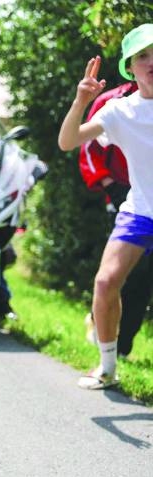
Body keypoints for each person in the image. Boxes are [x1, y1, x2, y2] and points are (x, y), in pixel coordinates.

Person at [57, 24, 153, 389]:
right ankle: (108, 367)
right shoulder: (118, 111)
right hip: (141, 210)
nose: (151, 61)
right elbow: (68, 142)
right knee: (105, 281)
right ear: (131, 66)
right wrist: (81, 101)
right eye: (143, 55)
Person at [78, 79, 152, 360]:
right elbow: (86, 147)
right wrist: (110, 185)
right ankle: (108, 342)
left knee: (143, 281)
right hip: (125, 198)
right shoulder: (112, 103)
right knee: (122, 277)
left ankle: (124, 346)